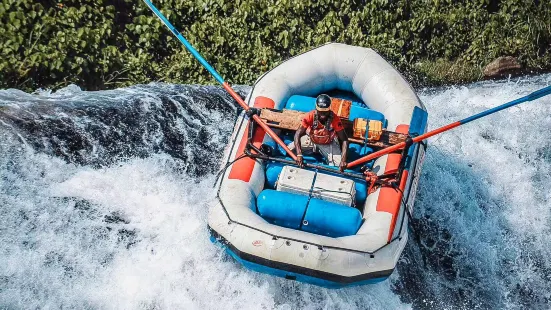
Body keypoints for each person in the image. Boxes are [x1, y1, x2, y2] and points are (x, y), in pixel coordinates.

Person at [290, 94, 348, 171]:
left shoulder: (335, 119)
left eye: (325, 112)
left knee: (338, 166)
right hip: (311, 140)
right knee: (289, 150)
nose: (323, 116)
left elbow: (344, 139)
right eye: (321, 112)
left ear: (329, 110)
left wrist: (343, 160)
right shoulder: (310, 116)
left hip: (328, 144)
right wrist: (299, 154)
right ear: (316, 109)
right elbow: (298, 134)